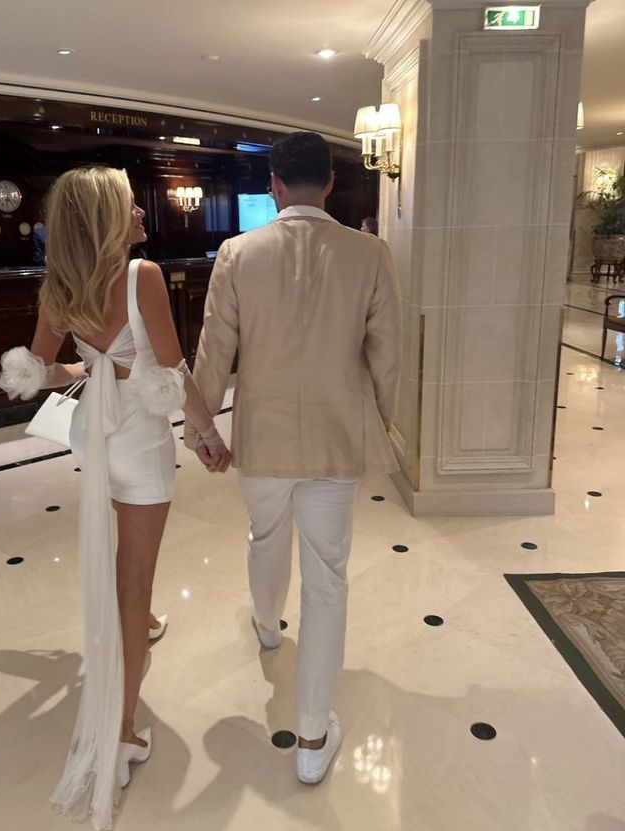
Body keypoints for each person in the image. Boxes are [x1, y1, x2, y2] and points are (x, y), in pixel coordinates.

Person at [0, 166, 230, 830]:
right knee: (134, 575)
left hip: (94, 437)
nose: (142, 215)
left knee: (122, 560)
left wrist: (89, 362)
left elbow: (42, 372)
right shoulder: (141, 277)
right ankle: (123, 730)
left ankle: (141, 626)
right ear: (106, 219)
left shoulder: (61, 288)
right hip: (137, 438)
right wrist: (207, 433)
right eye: (131, 206)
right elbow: (174, 368)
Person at [185, 132, 401, 786]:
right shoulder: (370, 253)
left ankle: (265, 621)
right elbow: (386, 354)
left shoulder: (237, 253)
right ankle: (312, 735)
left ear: (274, 185)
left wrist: (204, 433)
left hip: (263, 437)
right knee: (329, 576)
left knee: (265, 534)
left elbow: (213, 351)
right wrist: (379, 425)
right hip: (337, 438)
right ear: (330, 183)